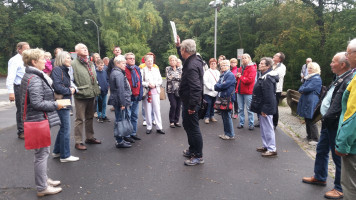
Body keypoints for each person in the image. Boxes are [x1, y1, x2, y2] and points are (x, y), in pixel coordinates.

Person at [302, 52, 353, 199]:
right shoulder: (339, 77)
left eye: (333, 62)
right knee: (321, 149)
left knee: (337, 156)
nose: (330, 64)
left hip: (335, 123)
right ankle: (320, 176)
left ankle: (339, 188)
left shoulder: (349, 78)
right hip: (328, 121)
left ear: (342, 64)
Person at [20, 48, 64, 196]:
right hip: (37, 121)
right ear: (34, 62)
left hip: (36, 119)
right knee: (41, 154)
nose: (45, 61)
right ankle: (42, 187)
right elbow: (37, 103)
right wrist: (56, 104)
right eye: (42, 59)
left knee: (41, 153)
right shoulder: (35, 79)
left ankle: (43, 180)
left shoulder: (32, 75)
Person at [176, 36, 204, 166]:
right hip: (189, 101)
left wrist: (192, 106)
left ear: (184, 50)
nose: (180, 52)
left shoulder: (192, 65)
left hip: (191, 103)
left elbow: (196, 88)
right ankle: (192, 149)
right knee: (188, 126)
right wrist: (178, 46)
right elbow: (183, 57)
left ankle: (198, 155)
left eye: (181, 49)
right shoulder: (194, 59)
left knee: (193, 128)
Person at [335, 38, 356, 200]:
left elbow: (352, 114)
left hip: (353, 145)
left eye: (348, 53)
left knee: (350, 185)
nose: (346, 57)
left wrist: (342, 143)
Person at [72, 43, 102, 150]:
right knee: (79, 119)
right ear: (77, 51)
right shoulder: (73, 64)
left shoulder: (90, 62)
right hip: (81, 94)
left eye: (86, 48)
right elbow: (71, 80)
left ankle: (90, 137)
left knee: (90, 117)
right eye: (82, 48)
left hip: (91, 93)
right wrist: (75, 89)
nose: (85, 49)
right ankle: (78, 141)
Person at [51, 51, 80, 163]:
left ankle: (57, 151)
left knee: (63, 128)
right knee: (66, 129)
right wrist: (70, 90)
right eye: (68, 58)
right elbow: (57, 87)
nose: (70, 60)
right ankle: (65, 155)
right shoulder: (58, 70)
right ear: (62, 59)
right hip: (62, 101)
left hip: (65, 101)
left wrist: (71, 89)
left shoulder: (63, 70)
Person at [251, 57, 279, 157]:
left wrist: (265, 109)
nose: (260, 65)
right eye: (260, 63)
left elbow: (269, 95)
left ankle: (272, 149)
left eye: (262, 64)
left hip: (266, 107)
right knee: (264, 127)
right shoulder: (264, 75)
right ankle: (266, 145)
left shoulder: (268, 78)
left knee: (268, 128)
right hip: (262, 105)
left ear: (268, 66)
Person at [6, 41, 30, 139]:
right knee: (21, 110)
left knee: (29, 109)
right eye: (26, 49)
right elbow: (11, 76)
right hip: (19, 87)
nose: (28, 50)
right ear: (19, 49)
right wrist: (11, 92)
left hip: (29, 86)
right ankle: (21, 131)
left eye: (29, 48)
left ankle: (28, 129)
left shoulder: (28, 59)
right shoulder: (15, 60)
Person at [108, 55, 132, 148]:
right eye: (123, 63)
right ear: (117, 63)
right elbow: (120, 90)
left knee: (120, 120)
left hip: (117, 100)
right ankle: (119, 141)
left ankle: (120, 140)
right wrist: (122, 103)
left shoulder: (115, 72)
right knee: (120, 121)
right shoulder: (118, 74)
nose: (125, 65)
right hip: (119, 101)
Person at [297, 62, 322, 144]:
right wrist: (302, 88)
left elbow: (307, 88)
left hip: (312, 100)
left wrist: (302, 89)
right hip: (307, 99)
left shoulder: (316, 78)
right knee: (307, 118)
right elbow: (302, 87)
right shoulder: (309, 78)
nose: (309, 69)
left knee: (311, 118)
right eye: (308, 67)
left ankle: (315, 138)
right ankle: (309, 136)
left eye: (311, 68)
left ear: (315, 69)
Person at [142, 55, 165, 134]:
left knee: (157, 110)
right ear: (145, 62)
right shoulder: (143, 70)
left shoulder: (156, 70)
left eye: (151, 61)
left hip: (155, 91)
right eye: (148, 61)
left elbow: (160, 80)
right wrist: (148, 84)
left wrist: (155, 84)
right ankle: (149, 126)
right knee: (148, 110)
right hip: (147, 92)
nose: (150, 62)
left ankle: (159, 127)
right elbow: (141, 81)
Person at [214, 60, 236, 140]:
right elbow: (216, 86)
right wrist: (219, 85)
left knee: (227, 116)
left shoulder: (230, 75)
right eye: (221, 65)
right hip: (223, 98)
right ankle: (227, 133)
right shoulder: (223, 75)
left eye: (224, 65)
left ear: (229, 66)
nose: (222, 66)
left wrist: (219, 85)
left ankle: (230, 134)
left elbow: (223, 86)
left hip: (227, 98)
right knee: (224, 116)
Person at [124, 52, 143, 142]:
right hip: (128, 97)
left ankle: (133, 133)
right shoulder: (124, 69)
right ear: (126, 60)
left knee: (134, 116)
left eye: (133, 58)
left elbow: (140, 82)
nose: (132, 60)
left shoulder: (137, 68)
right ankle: (127, 135)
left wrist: (140, 94)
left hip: (136, 96)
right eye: (130, 58)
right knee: (128, 117)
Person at [236, 53, 257, 130]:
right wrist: (237, 76)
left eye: (245, 58)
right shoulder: (241, 68)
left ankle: (251, 124)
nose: (243, 59)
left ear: (249, 58)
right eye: (242, 58)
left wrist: (240, 76)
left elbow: (249, 80)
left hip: (248, 92)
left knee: (249, 109)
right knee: (240, 108)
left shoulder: (252, 68)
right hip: (239, 91)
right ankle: (241, 123)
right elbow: (238, 79)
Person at [166, 55, 183, 128]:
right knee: (173, 105)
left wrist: (174, 77)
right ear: (169, 61)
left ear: (176, 61)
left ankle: (177, 120)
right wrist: (177, 77)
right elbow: (168, 78)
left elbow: (182, 78)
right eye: (171, 60)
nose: (172, 61)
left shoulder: (180, 69)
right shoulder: (168, 68)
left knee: (178, 106)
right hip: (171, 90)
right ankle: (172, 121)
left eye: (174, 60)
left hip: (179, 90)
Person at [272, 52, 286, 129]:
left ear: (280, 59)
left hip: (276, 89)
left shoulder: (282, 67)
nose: (274, 56)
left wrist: (269, 73)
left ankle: (274, 123)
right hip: (268, 88)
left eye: (276, 55)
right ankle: (265, 121)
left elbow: (276, 76)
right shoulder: (271, 64)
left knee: (274, 106)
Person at [203, 58, 220, 124]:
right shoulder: (207, 72)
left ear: (216, 64)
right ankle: (207, 117)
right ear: (209, 64)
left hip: (215, 91)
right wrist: (211, 87)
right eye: (211, 63)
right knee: (208, 104)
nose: (213, 65)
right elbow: (205, 81)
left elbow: (219, 81)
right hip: (208, 91)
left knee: (213, 104)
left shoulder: (218, 72)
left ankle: (212, 116)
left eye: (214, 63)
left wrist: (218, 88)